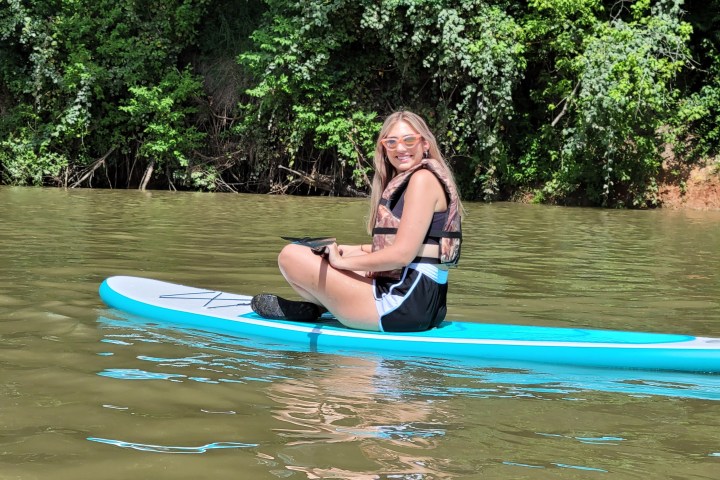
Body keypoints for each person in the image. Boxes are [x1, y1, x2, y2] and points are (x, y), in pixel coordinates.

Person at [251, 111, 464, 332]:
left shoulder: (422, 180)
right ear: (384, 147)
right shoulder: (418, 179)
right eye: (391, 142)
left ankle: (319, 307)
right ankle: (319, 307)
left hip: (403, 304)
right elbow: (409, 246)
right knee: (315, 252)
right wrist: (346, 250)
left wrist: (342, 263)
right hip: (425, 302)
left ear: (425, 143)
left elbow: (402, 255)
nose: (400, 148)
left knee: (291, 256)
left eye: (409, 140)